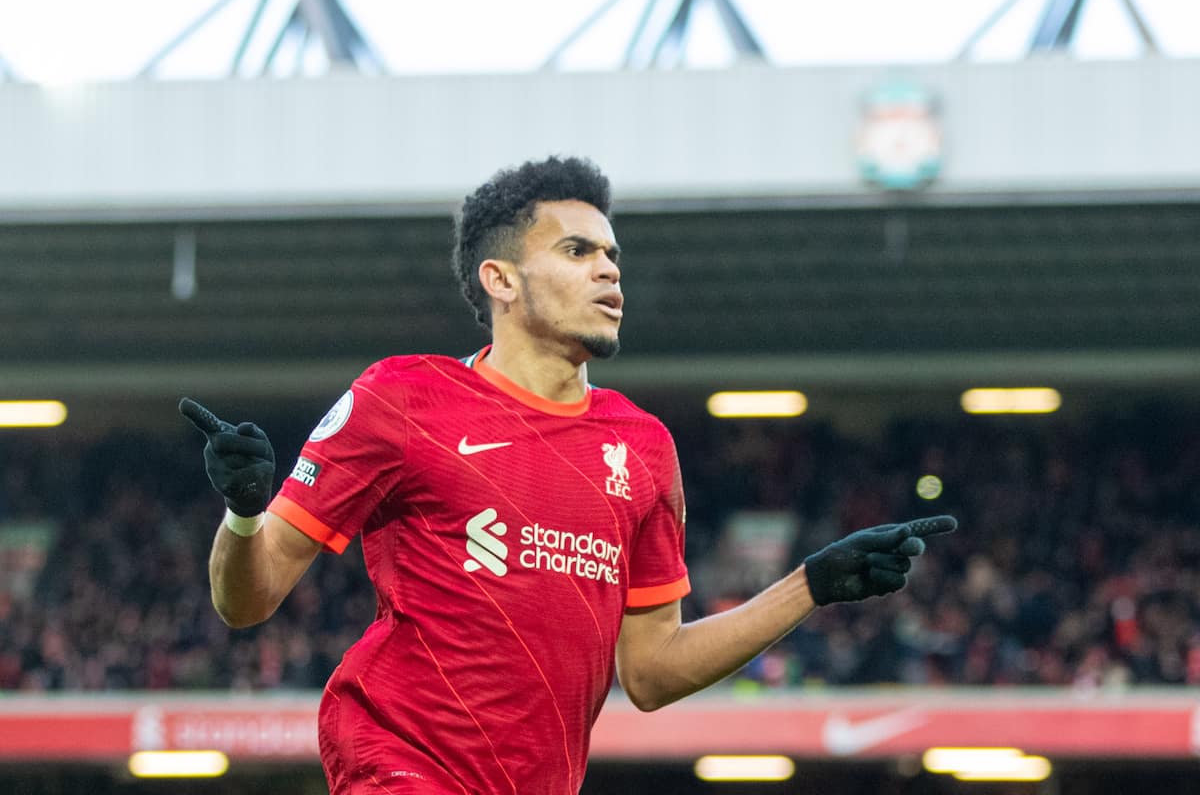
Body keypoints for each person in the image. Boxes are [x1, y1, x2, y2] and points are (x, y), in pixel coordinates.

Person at [181, 156, 956, 794]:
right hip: (399, 760)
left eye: (613, 255)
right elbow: (247, 600)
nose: (608, 272)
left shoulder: (642, 446)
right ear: (502, 281)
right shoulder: (404, 398)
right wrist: (245, 513)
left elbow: (651, 672)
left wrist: (810, 586)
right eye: (577, 252)